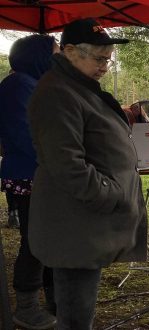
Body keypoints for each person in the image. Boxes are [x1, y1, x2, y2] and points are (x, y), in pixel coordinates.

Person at [27, 18, 148, 328]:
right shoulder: (56, 92)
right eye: (99, 58)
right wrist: (112, 193)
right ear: (69, 51)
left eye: (108, 59)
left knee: (79, 311)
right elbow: (67, 165)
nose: (105, 66)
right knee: (75, 317)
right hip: (73, 226)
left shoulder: (78, 86)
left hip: (85, 223)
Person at [0, 34, 58, 329]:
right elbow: (27, 135)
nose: (59, 58)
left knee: (48, 237)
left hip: (42, 171)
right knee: (35, 239)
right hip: (30, 173)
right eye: (55, 52)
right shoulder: (17, 86)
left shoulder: (34, 84)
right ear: (38, 56)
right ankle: (26, 305)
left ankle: (54, 298)